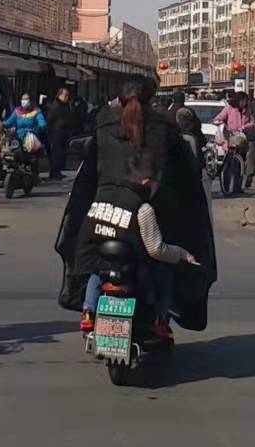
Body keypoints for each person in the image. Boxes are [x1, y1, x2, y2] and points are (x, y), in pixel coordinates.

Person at [57, 79, 209, 341]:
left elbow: (90, 165)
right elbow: (183, 170)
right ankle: (161, 317)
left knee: (96, 266)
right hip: (142, 214)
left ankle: (88, 312)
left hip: (102, 212)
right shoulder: (162, 128)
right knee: (163, 264)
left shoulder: (104, 122)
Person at [43, 86, 77, 180]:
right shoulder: (55, 106)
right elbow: (50, 120)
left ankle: (57, 172)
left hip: (64, 132)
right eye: (65, 95)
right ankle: (54, 173)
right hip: (56, 132)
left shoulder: (66, 105)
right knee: (56, 154)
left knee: (60, 154)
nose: (67, 97)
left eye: (68, 95)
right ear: (60, 95)